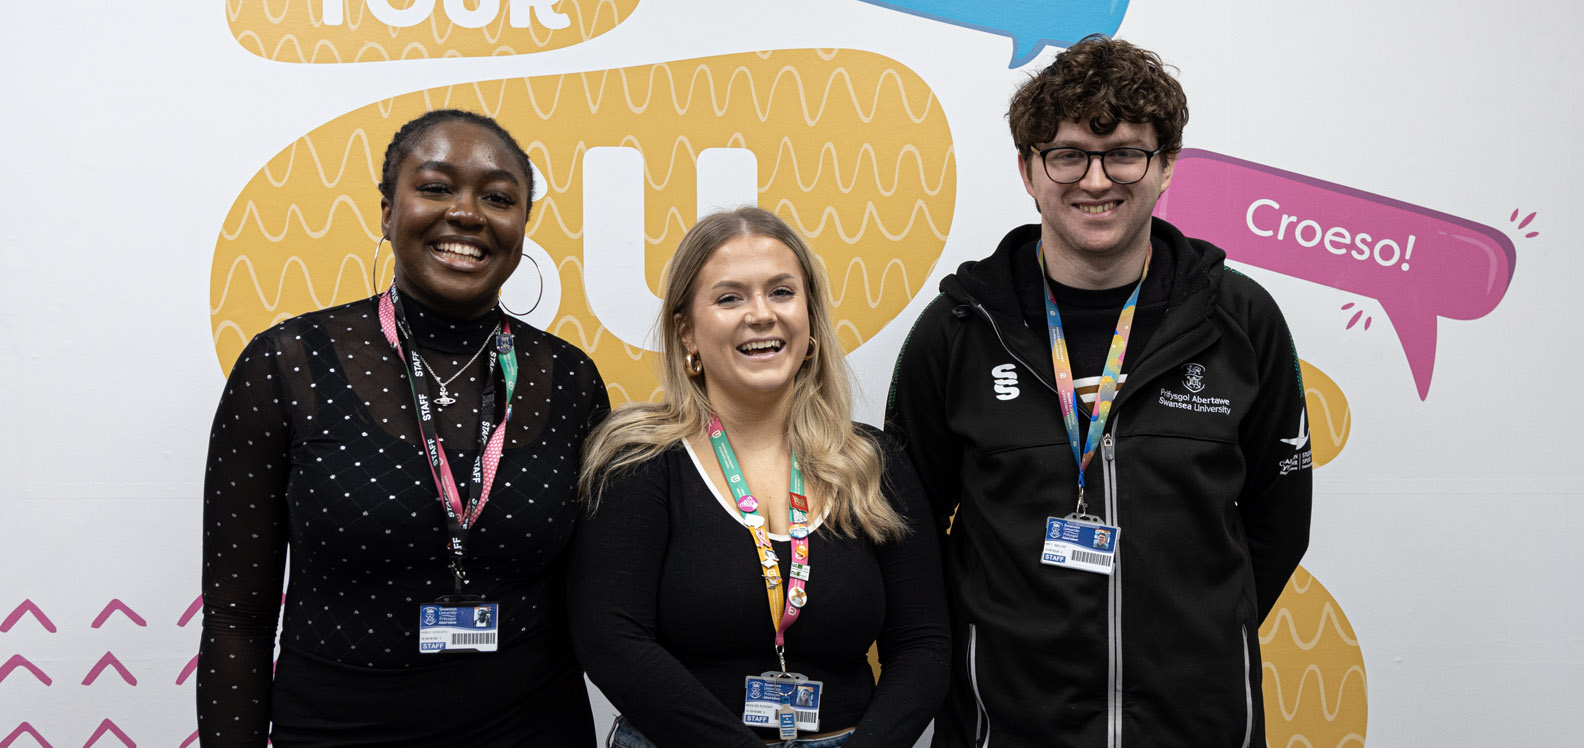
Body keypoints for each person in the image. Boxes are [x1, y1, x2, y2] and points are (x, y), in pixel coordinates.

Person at [885, 36, 1313, 748]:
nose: (1095, 180)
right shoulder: (960, 329)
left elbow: (1279, 524)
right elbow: (910, 532)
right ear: (1028, 169)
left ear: (1166, 163)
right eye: (1068, 154)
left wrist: (1197, 638)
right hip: (1007, 727)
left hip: (1197, 727)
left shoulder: (1240, 321)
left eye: (1124, 153)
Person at [198, 109, 607, 746]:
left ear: (522, 226)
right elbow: (235, 617)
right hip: (338, 729)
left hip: (531, 725)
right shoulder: (288, 362)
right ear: (387, 213)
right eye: (437, 187)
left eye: (498, 197)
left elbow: (604, 606)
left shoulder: (571, 381)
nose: (468, 214)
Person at [568, 207, 950, 748]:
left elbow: (924, 645)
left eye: (781, 292)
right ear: (687, 331)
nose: (761, 315)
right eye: (729, 298)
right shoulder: (639, 461)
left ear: (810, 317)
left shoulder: (873, 461)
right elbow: (611, 639)